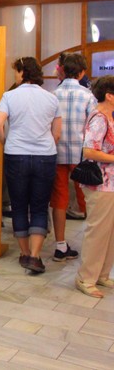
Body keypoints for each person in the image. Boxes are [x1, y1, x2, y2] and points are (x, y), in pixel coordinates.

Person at [0, 57, 61, 274]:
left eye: (16, 71)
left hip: (16, 154)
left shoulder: (9, 96)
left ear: (23, 72)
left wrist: (7, 142)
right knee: (40, 206)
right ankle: (35, 256)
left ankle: (23, 253)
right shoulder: (51, 98)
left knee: (19, 205)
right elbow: (56, 134)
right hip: (45, 156)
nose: (14, 75)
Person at [51, 53, 96, 261]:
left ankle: (60, 246)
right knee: (89, 199)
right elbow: (93, 127)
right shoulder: (88, 96)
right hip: (81, 155)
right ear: (82, 72)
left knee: (59, 199)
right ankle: (93, 247)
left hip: (56, 153)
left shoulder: (53, 94)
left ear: (62, 70)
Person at [75, 76, 114, 298]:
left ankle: (101, 274)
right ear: (109, 96)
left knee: (109, 232)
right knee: (98, 231)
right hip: (101, 184)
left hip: (110, 183)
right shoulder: (99, 118)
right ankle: (86, 278)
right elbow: (89, 151)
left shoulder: (108, 116)